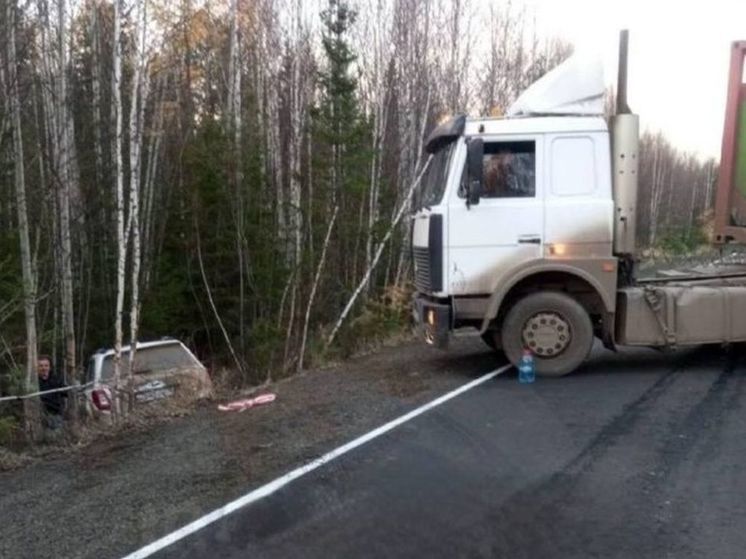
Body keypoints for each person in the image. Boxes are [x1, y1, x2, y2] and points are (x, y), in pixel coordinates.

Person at [37, 356, 67, 430]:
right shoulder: (35, 381)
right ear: (37, 367)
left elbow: (66, 392)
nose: (44, 368)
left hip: (56, 414)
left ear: (50, 367)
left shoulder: (57, 379)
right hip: (39, 415)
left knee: (56, 437)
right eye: (41, 366)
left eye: (46, 365)